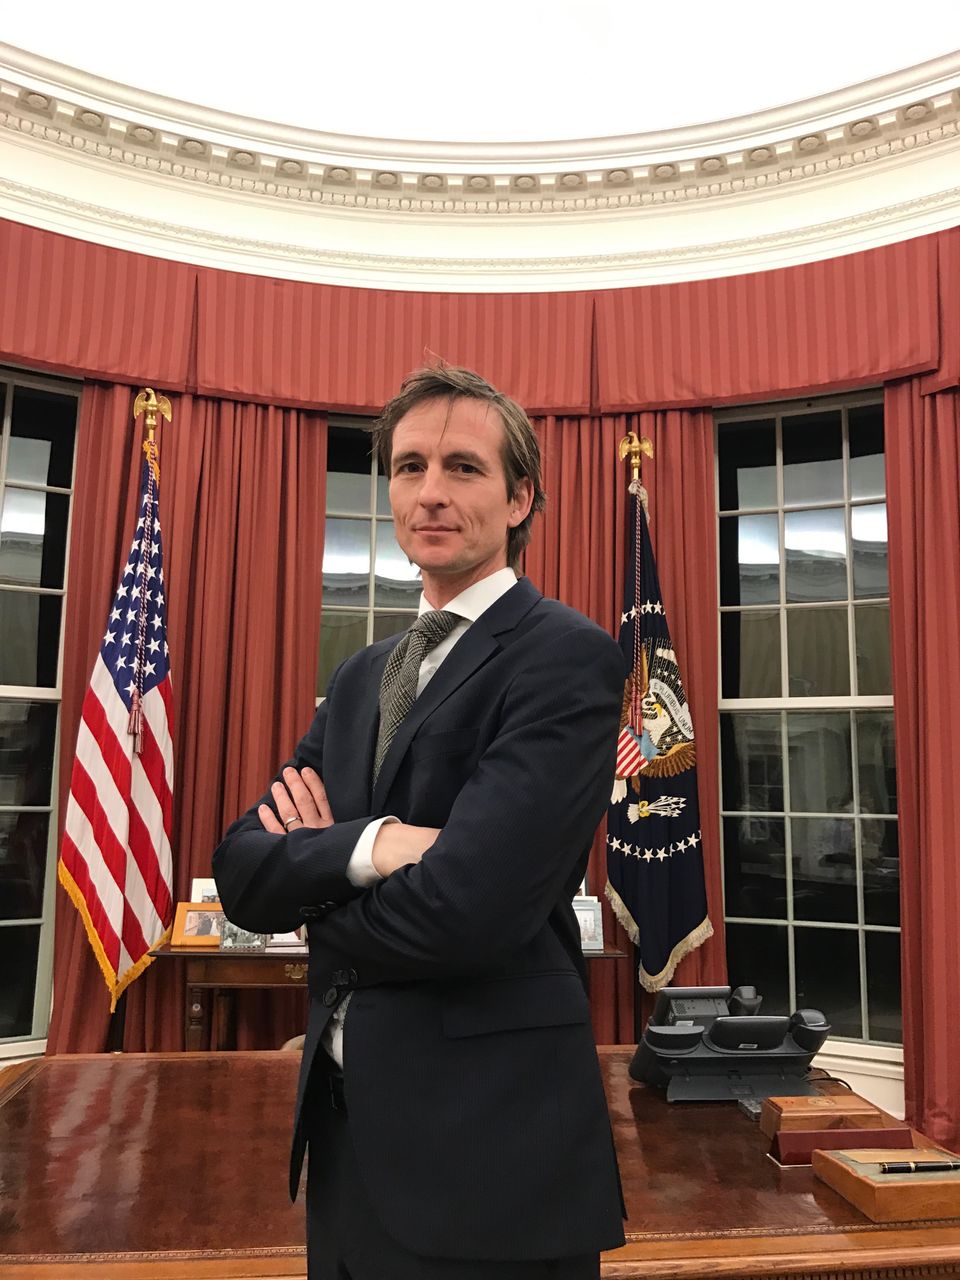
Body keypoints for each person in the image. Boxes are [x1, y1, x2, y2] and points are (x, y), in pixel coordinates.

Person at [213, 365, 627, 1280]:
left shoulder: (566, 657)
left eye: (463, 468)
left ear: (520, 498)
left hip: (489, 1156)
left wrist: (316, 888)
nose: (430, 492)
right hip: (344, 1143)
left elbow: (470, 910)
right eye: (408, 467)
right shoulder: (363, 674)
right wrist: (379, 845)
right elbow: (241, 870)